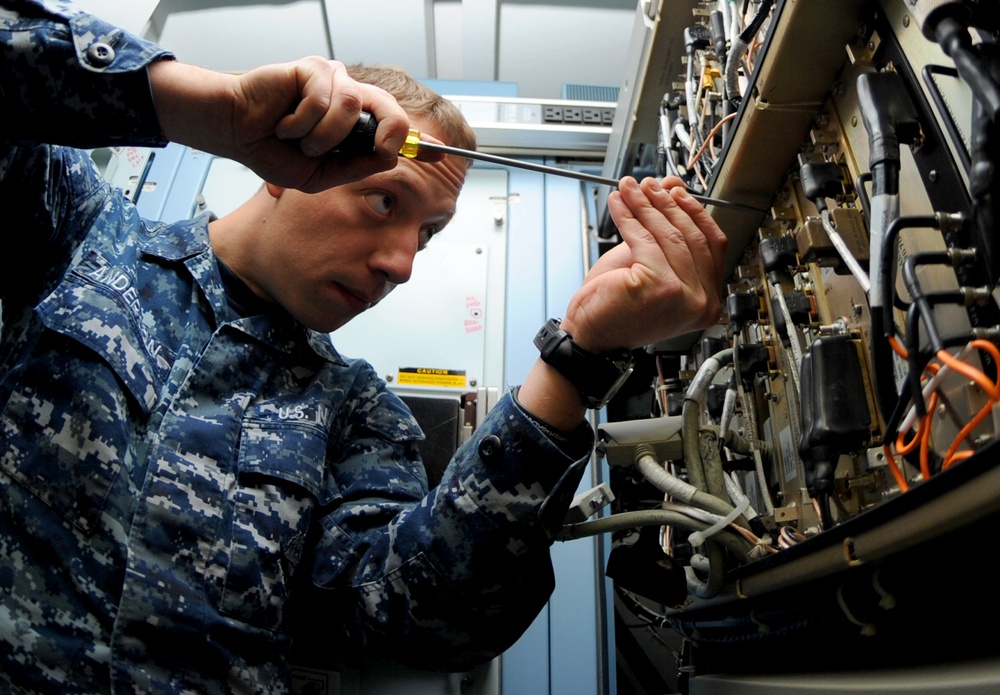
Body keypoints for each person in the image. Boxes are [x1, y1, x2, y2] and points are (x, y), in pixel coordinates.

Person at [0, 1, 728, 693]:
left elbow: (424, 617)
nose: (402, 263)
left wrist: (576, 360)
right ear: (290, 164)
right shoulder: (82, 236)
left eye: (428, 233)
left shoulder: (355, 412)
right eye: (386, 202)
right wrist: (206, 110)